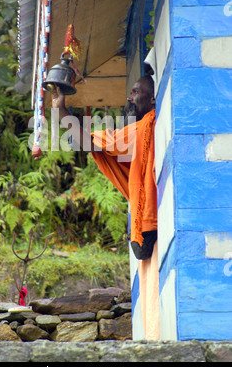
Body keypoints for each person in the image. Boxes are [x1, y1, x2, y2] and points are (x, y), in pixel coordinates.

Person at [34, 73, 159, 340]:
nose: (130, 96)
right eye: (131, 91)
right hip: (151, 223)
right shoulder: (145, 130)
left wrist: (62, 109)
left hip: (149, 224)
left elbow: (88, 141)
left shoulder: (142, 130)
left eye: (137, 92)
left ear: (153, 99)